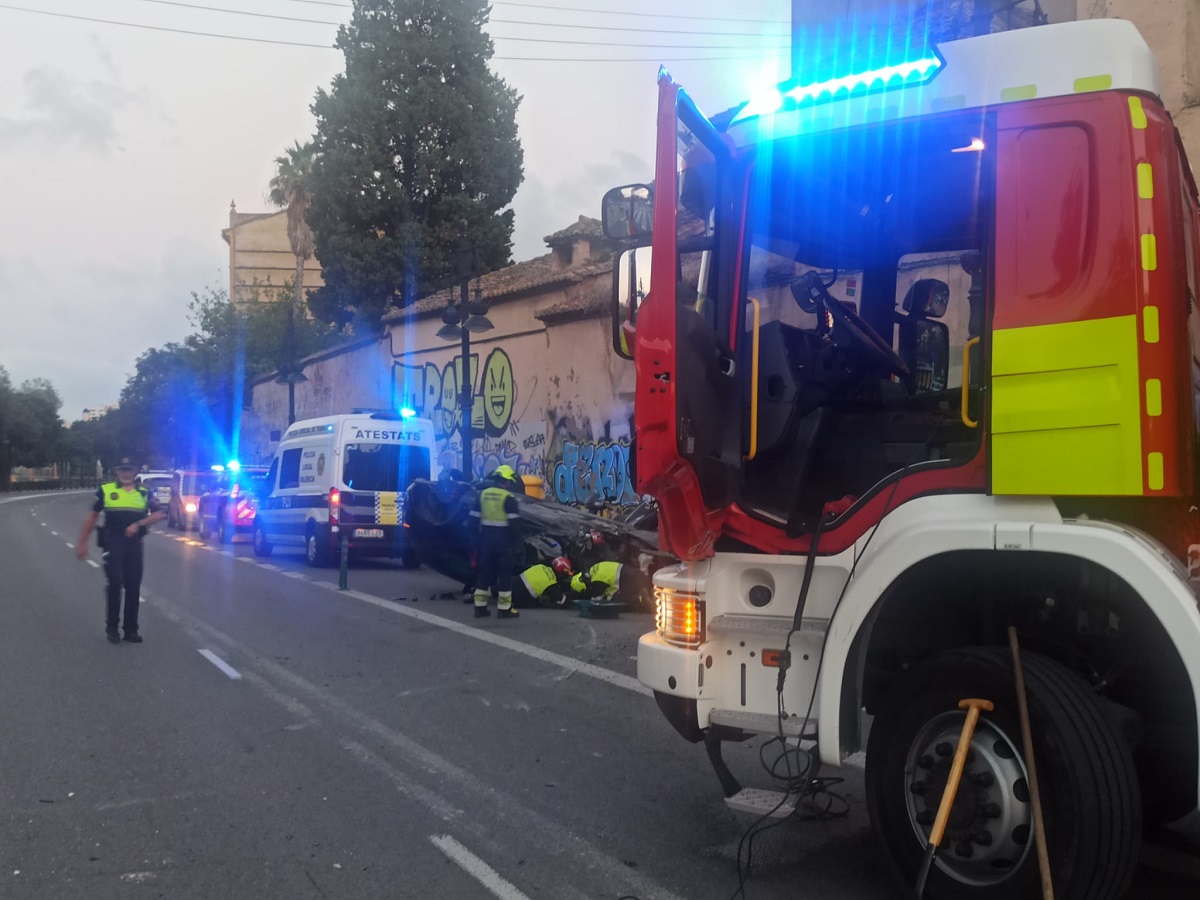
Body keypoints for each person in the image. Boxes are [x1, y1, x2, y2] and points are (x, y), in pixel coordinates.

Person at [77, 458, 165, 643]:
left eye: (129, 470)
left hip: (134, 545)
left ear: (135, 471)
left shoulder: (144, 492)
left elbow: (160, 513)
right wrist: (83, 542)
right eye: (122, 470)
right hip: (113, 543)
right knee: (115, 583)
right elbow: (92, 517)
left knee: (133, 586)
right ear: (117, 471)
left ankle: (131, 630)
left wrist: (139, 523)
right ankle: (112, 628)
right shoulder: (106, 490)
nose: (126, 473)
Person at [469, 465, 522, 619]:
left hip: (485, 540)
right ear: (506, 482)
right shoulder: (508, 498)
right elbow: (515, 525)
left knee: (484, 574)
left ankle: (479, 608)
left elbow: (472, 519)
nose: (511, 486)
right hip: (504, 542)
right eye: (510, 483)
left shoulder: (483, 495)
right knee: (504, 575)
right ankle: (504, 609)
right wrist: (518, 542)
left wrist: (474, 539)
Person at [570, 560, 639, 603]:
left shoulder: (597, 580)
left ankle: (640, 599)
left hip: (630, 580)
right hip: (630, 573)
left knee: (618, 603)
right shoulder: (593, 569)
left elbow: (595, 600)